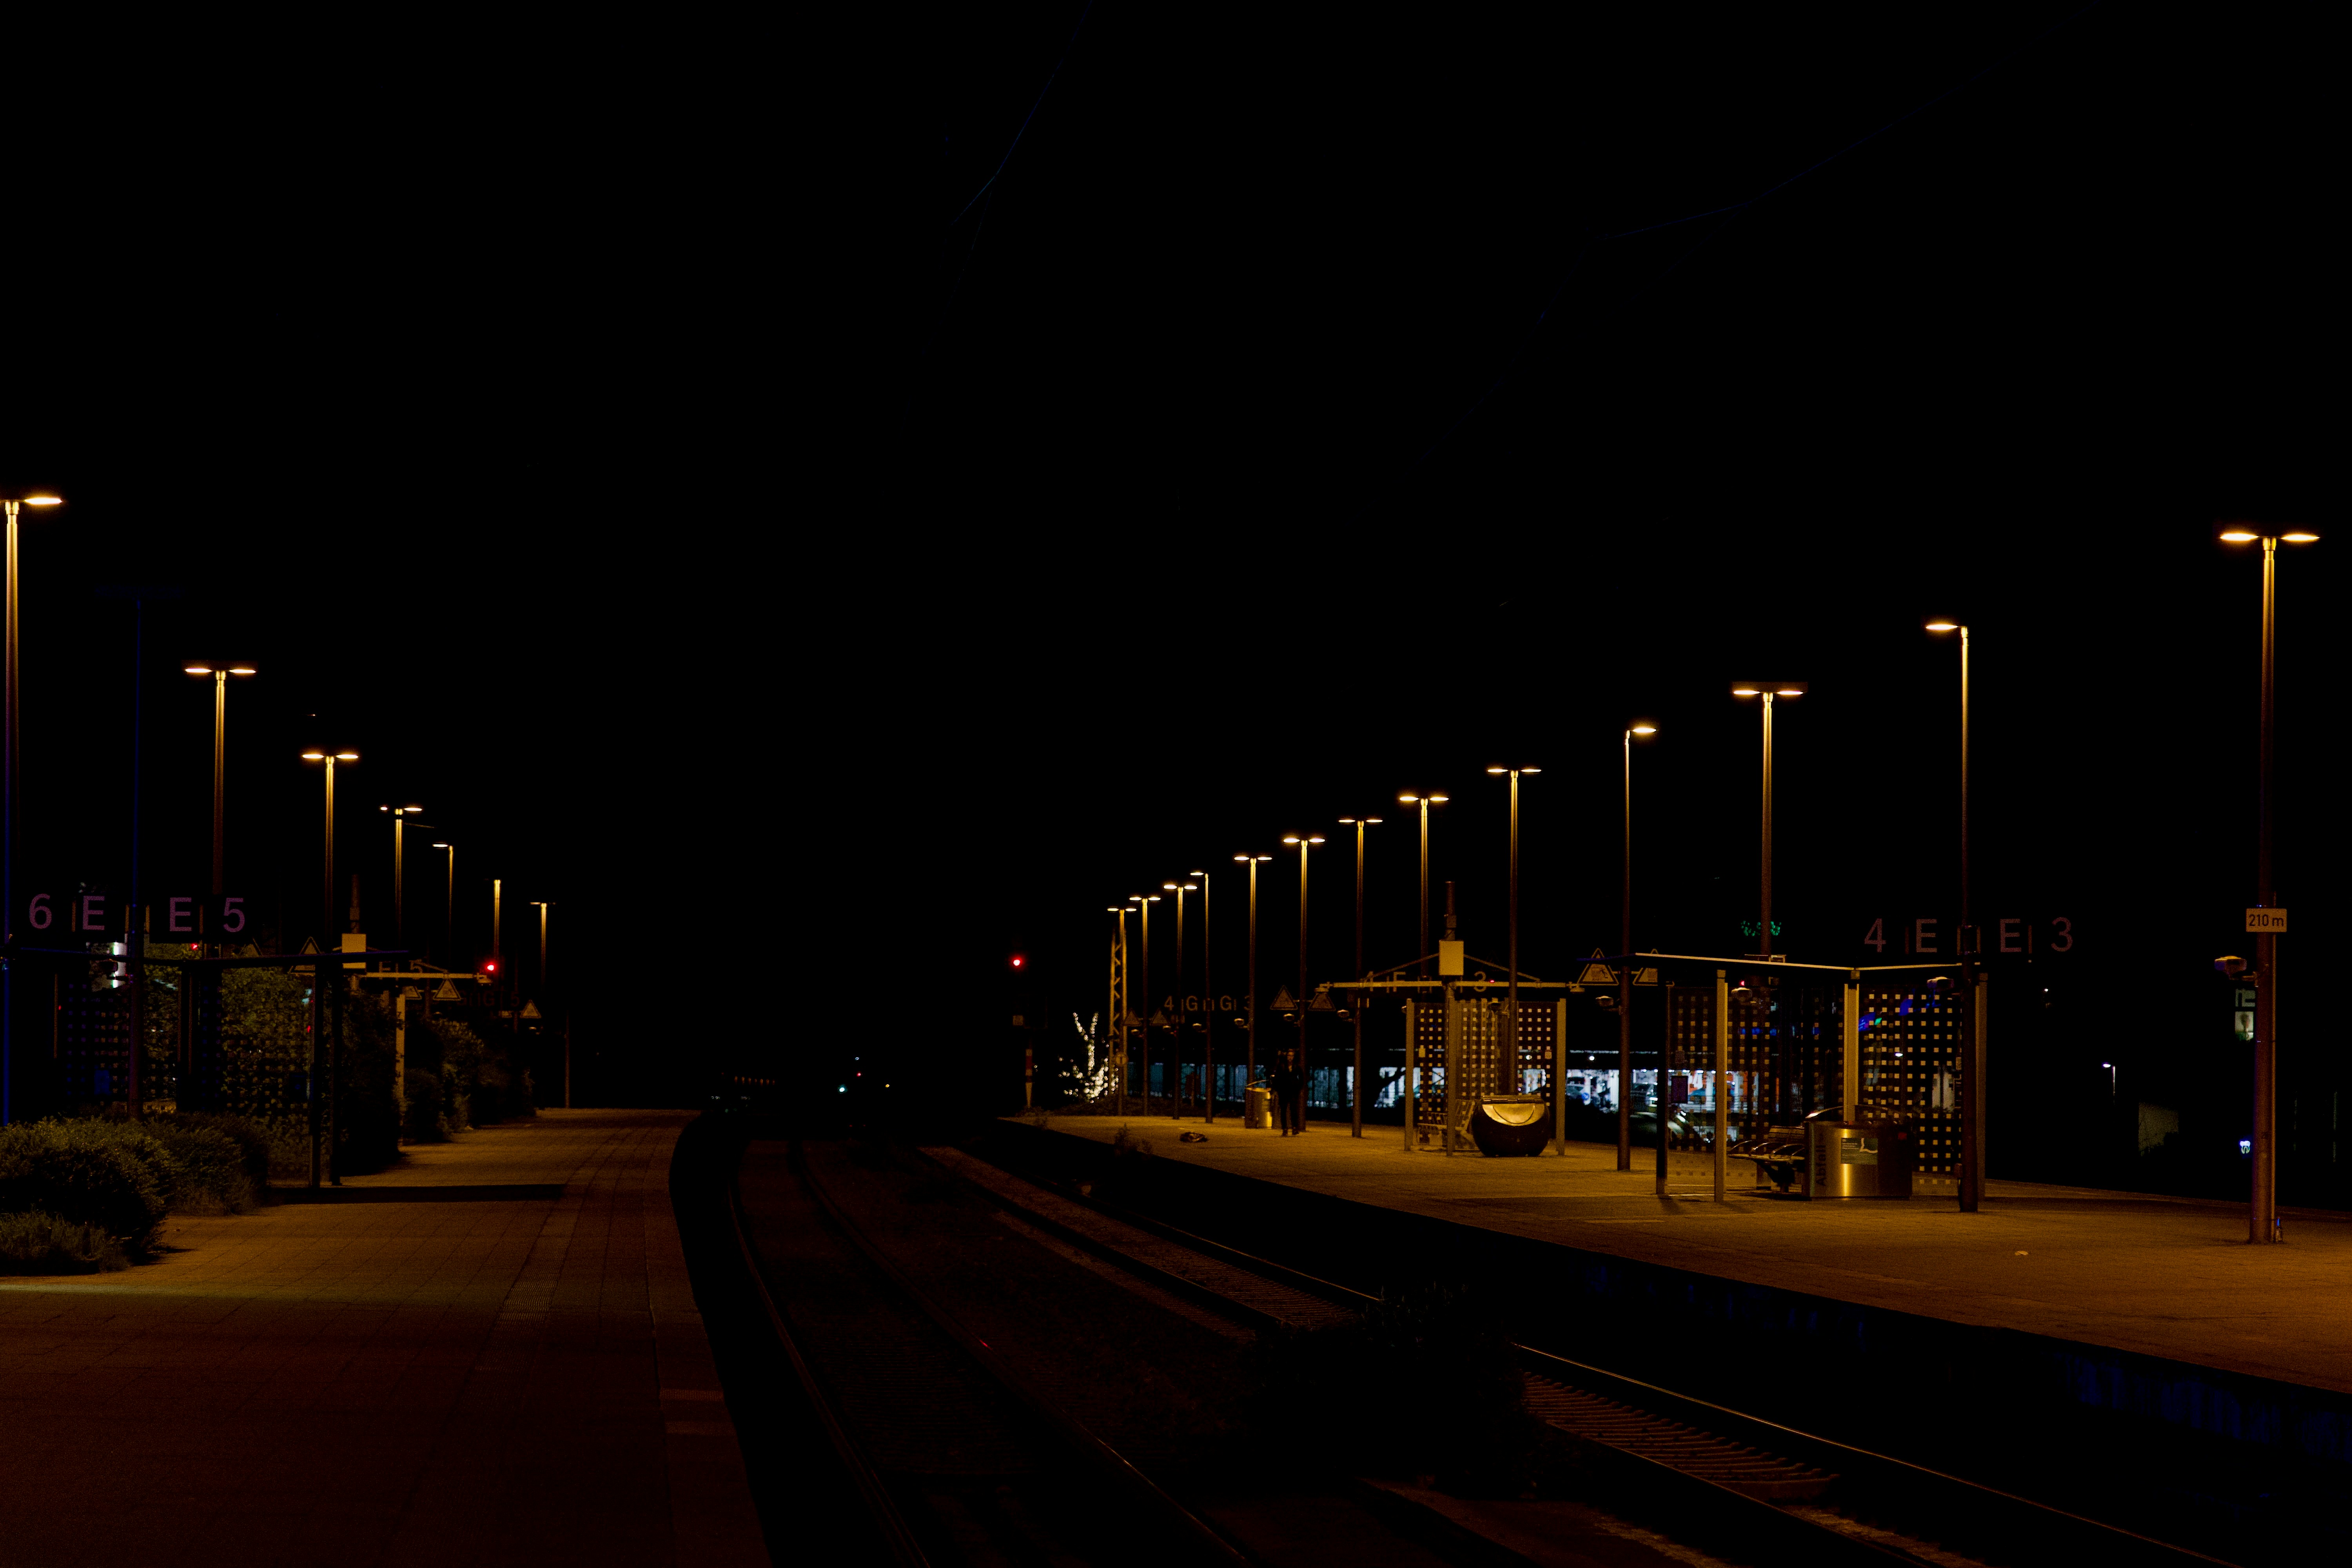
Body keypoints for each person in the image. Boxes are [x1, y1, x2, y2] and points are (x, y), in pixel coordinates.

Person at [1272, 1051, 1304, 1136]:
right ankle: (1285, 1128)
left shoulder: (1297, 1066)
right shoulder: (1282, 1066)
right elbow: (1277, 1078)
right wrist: (1278, 1089)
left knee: (1294, 1110)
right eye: (1289, 1056)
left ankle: (1294, 1127)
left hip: (1293, 1091)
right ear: (1286, 1057)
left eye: (1292, 1056)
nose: (1290, 1057)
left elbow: (1302, 1079)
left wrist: (1298, 1088)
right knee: (1283, 1110)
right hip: (1284, 1091)